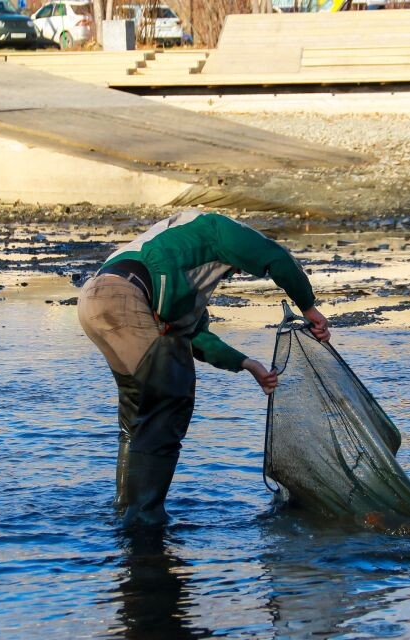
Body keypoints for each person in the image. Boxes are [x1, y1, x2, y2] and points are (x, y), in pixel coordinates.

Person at [77, 210, 331, 528]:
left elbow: (196, 336)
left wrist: (248, 364)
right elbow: (275, 257)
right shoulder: (216, 228)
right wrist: (308, 306)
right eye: (239, 265)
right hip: (126, 298)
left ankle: (126, 509)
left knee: (138, 412)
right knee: (170, 400)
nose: (238, 271)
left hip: (93, 302)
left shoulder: (181, 258)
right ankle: (145, 518)